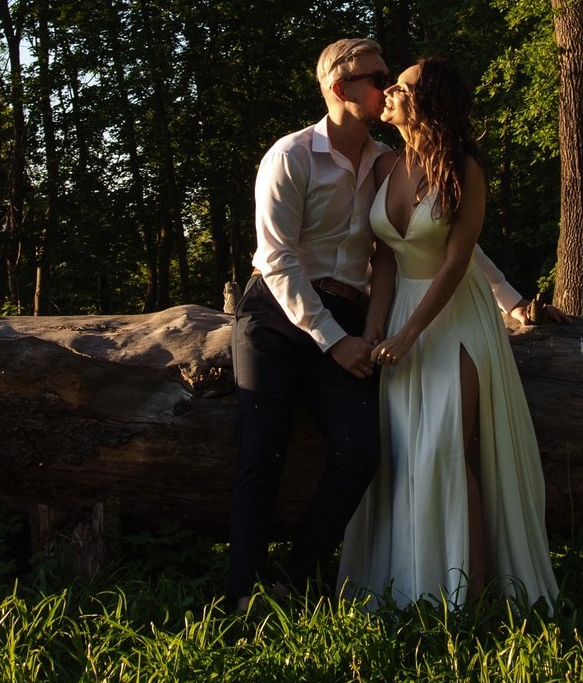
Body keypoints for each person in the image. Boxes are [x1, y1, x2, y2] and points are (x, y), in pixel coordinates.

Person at [227, 37, 553, 605]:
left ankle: (300, 583)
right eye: (378, 79)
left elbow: (453, 243)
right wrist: (348, 337)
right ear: (340, 89)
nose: (387, 87)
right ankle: (241, 597)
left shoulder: (385, 160)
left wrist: (511, 299)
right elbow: (278, 260)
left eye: (392, 79)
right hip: (277, 316)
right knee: (260, 452)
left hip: (361, 318)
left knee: (364, 453)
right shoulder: (291, 156)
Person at [341, 57, 559, 609]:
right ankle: (413, 589)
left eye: (403, 85)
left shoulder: (464, 168)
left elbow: (458, 262)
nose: (390, 90)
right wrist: (376, 326)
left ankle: (471, 599)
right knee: (403, 453)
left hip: (454, 316)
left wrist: (412, 332)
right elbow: (385, 259)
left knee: (445, 448)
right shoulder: (384, 165)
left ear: (428, 102)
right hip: (398, 316)